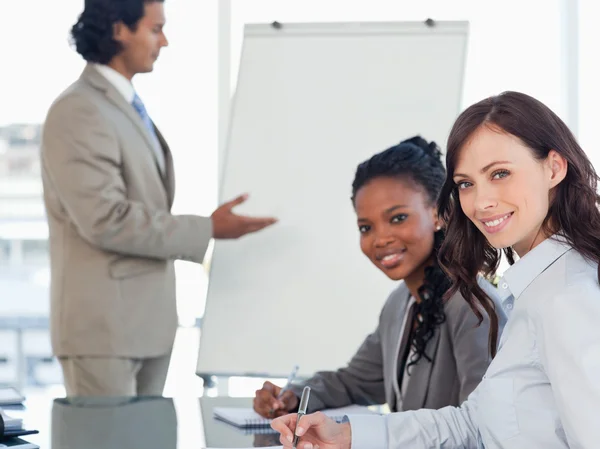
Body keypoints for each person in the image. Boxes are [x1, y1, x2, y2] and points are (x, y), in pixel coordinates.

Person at [271, 91, 600, 449]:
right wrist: (349, 434)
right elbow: (475, 424)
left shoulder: (566, 298)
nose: (481, 201)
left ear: (554, 167)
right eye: (465, 184)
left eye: (500, 173)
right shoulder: (536, 288)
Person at [41, 0, 276, 396]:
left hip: (144, 327)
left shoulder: (123, 106)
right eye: (155, 29)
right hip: (104, 333)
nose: (164, 41)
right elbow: (105, 219)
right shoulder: (79, 109)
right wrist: (208, 228)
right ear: (120, 30)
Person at [254, 137, 504, 418]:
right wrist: (293, 396)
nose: (380, 238)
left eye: (398, 218)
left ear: (438, 214)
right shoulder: (401, 303)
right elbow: (355, 382)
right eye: (366, 227)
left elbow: (482, 426)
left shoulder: (473, 308)